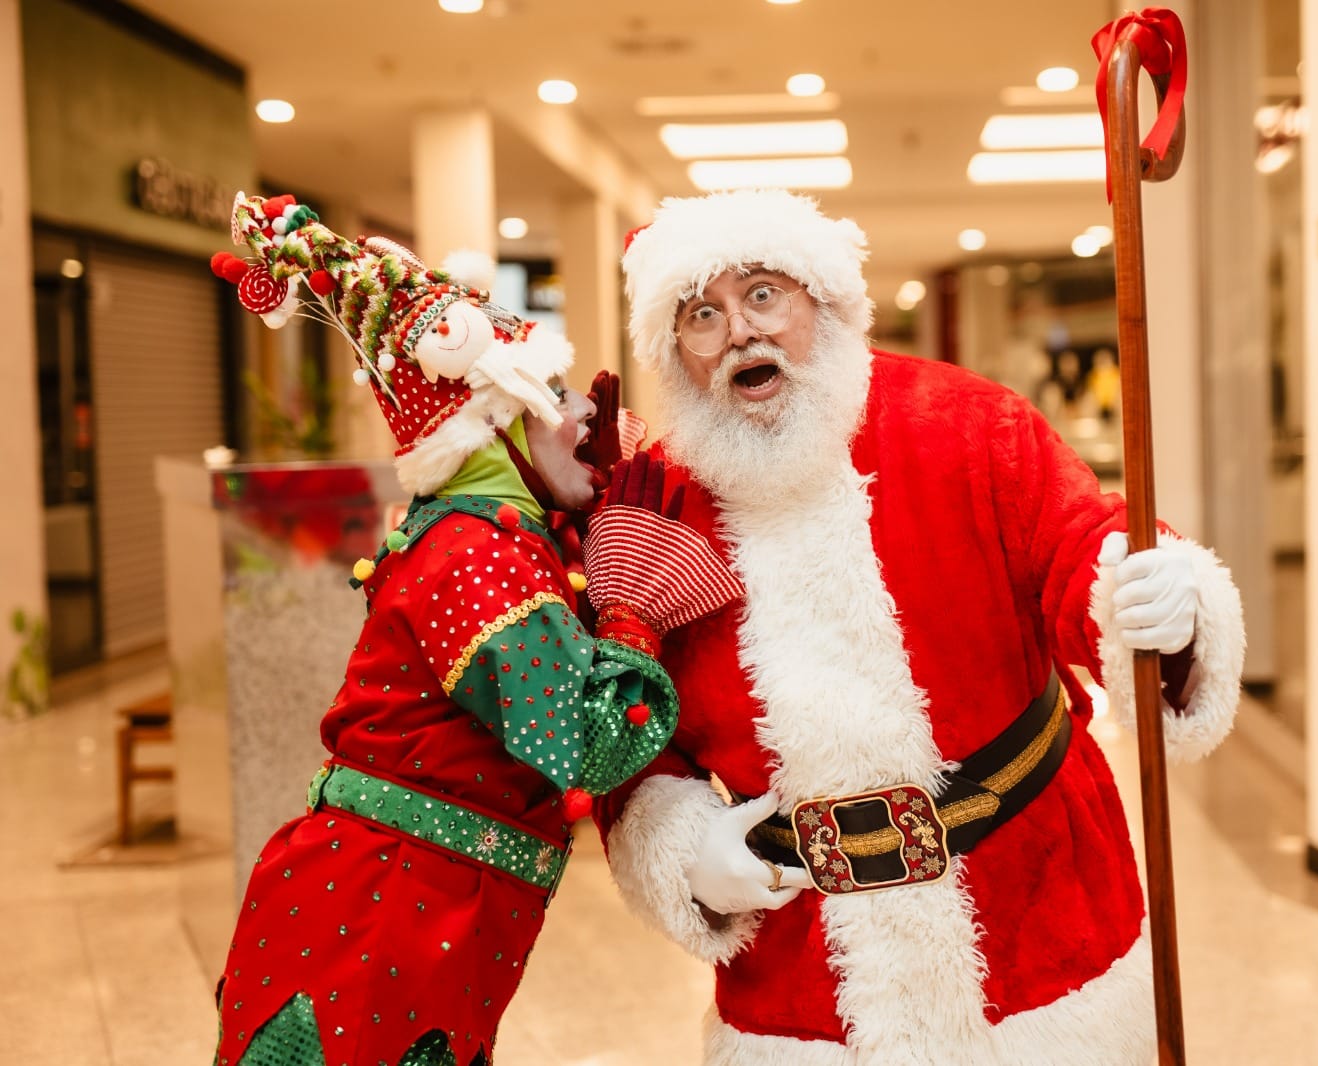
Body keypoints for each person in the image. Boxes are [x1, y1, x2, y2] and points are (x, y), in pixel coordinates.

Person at [592, 189, 1246, 1065]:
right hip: (802, 978)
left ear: (821, 299)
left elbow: (1078, 545)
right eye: (701, 315)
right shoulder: (655, 505)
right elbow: (624, 719)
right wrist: (679, 845)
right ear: (675, 350)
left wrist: (1151, 593)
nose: (739, 331)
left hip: (1036, 924)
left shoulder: (968, 421)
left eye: (762, 295)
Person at [208, 194, 737, 1066]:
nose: (589, 413)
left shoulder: (500, 534)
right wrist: (633, 608)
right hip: (378, 920)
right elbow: (587, 739)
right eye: (555, 393)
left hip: (417, 907)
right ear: (493, 423)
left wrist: (597, 526)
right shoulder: (476, 549)